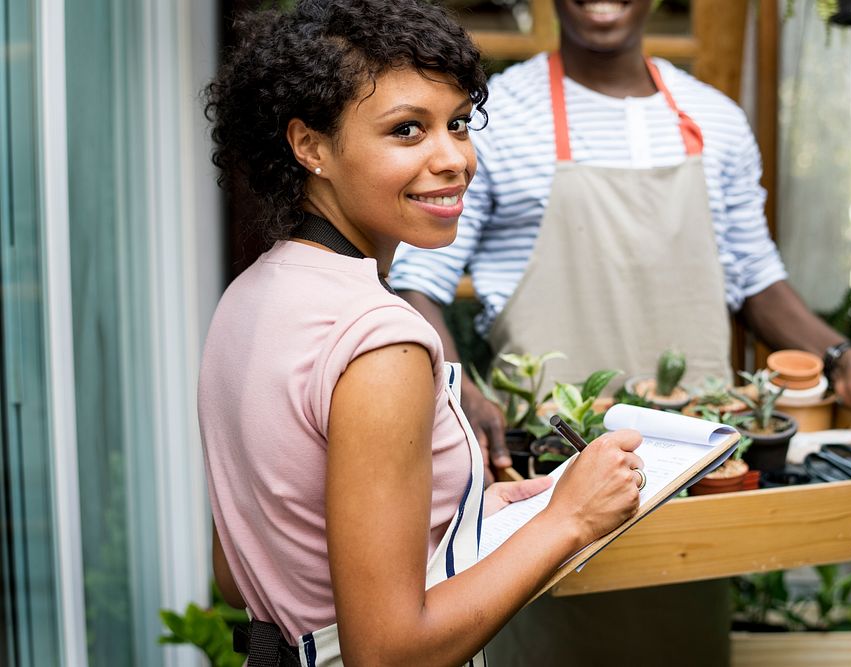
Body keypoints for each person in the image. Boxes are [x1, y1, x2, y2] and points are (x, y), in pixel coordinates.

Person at [389, 0, 851, 664]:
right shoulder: (493, 118)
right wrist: (458, 389)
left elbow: (754, 279)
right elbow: (417, 283)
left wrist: (837, 353)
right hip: (546, 475)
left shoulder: (716, 120)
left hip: (691, 479)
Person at [198, 2, 649, 665]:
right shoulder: (382, 341)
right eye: (408, 130)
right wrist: (568, 519)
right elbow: (388, 652)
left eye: (459, 123)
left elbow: (240, 570)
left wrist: (462, 515)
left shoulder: (250, 297)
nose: (455, 159)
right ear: (309, 145)